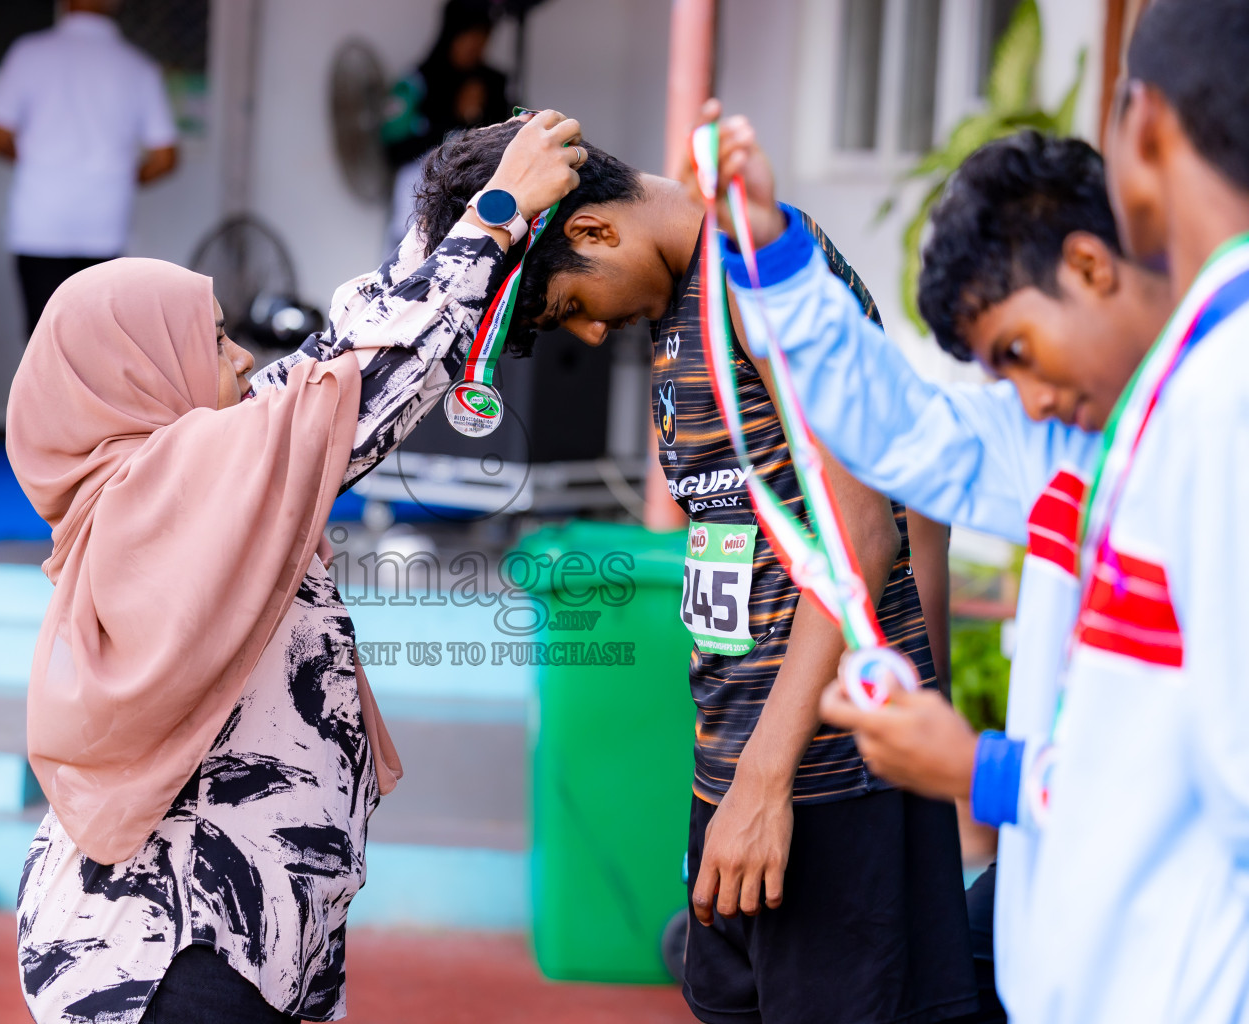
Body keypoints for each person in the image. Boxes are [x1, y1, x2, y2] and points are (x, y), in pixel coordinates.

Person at [716, 0, 1249, 1016]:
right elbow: (905, 432)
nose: (1026, 395)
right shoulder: (1081, 429)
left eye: (1017, 353)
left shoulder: (1223, 403)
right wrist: (774, 251)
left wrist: (980, 769)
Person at [8, 111, 583, 1024]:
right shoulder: (165, 487)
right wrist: (498, 213)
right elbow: (361, 392)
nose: (242, 357)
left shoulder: (191, 469)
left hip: (252, 933)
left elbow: (335, 362)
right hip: (176, 948)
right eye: (212, 338)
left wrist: (444, 223)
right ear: (139, 370)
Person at [415, 125, 977, 1024]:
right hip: (742, 761)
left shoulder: (757, 280)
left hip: (821, 774)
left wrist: (767, 781)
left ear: (596, 231)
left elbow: (864, 534)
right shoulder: (681, 297)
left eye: (570, 307)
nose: (594, 333)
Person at [0, 0, 179, 338]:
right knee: (97, 344)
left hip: (39, 222)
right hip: (104, 224)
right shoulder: (137, 66)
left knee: (41, 342)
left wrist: (41, 164)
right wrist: (117, 178)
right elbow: (165, 157)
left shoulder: (29, 54)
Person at [381, 0, 510, 254]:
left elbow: (509, 142)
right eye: (468, 35)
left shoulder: (495, 85)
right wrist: (454, 117)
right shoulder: (417, 82)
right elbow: (394, 148)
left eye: (483, 37)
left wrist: (478, 116)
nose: (475, 45)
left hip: (473, 219)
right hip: (413, 214)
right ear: (451, 33)